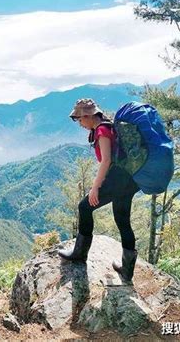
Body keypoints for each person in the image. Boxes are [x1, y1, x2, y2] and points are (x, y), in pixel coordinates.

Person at [58, 98, 140, 284]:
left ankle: (80, 253)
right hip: (129, 180)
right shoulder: (108, 126)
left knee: (84, 207)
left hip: (117, 180)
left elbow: (106, 160)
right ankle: (127, 271)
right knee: (122, 220)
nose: (79, 123)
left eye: (79, 119)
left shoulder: (102, 130)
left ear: (88, 115)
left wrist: (95, 187)